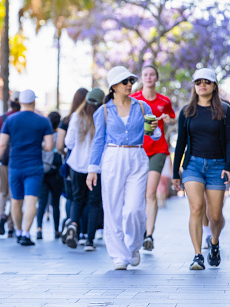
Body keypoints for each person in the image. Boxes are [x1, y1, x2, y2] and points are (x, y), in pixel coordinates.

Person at [87, 66, 159, 270]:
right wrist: (93, 169)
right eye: (125, 81)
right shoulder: (103, 111)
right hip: (112, 157)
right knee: (112, 209)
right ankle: (119, 255)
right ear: (114, 87)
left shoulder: (143, 107)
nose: (130, 84)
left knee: (135, 209)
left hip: (137, 156)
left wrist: (154, 131)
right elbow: (98, 141)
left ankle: (134, 245)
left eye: (131, 81)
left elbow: (154, 136)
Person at [172, 68, 230, 270]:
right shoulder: (187, 112)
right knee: (196, 208)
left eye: (206, 81)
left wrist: (228, 166)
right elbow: (180, 143)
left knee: (215, 215)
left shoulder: (224, 110)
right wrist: (175, 173)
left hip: (217, 166)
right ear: (194, 87)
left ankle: (214, 242)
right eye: (198, 82)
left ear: (214, 86)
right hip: (193, 165)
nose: (202, 85)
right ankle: (197, 255)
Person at [0, 90, 54, 246]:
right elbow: (50, 146)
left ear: (20, 102)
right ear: (34, 102)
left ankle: (18, 231)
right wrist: (39, 146)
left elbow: (2, 145)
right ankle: (25, 233)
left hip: (15, 166)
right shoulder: (43, 121)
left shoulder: (10, 120)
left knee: (16, 201)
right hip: (34, 166)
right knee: (32, 200)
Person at [130, 65, 176, 251]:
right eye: (145, 74)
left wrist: (167, 118)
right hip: (138, 150)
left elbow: (173, 118)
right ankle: (140, 229)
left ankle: (149, 234)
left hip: (158, 150)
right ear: (142, 78)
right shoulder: (134, 99)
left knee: (150, 193)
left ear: (156, 78)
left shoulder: (164, 100)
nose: (149, 77)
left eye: (152, 74)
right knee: (138, 194)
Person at [64, 88, 105, 251]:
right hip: (96, 166)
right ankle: (89, 240)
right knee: (94, 202)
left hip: (77, 164)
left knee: (77, 198)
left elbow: (69, 142)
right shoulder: (103, 117)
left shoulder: (76, 117)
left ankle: (73, 225)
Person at [0, 91, 21, 237]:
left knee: (1, 192)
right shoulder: (22, 119)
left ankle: (1, 216)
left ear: (9, 103)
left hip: (1, 160)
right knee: (15, 195)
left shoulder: (1, 119)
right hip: (17, 160)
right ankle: (12, 226)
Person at [57, 88, 88, 239]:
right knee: (88, 197)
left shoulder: (67, 120)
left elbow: (61, 144)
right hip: (89, 164)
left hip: (72, 163)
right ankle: (83, 231)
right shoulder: (93, 117)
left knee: (72, 196)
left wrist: (66, 153)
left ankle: (71, 223)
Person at [36, 112, 63, 240]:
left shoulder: (42, 135)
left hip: (42, 170)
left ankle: (39, 229)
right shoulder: (59, 135)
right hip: (56, 172)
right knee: (55, 203)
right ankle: (56, 230)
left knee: (42, 202)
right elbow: (62, 149)